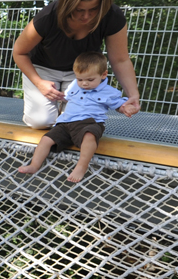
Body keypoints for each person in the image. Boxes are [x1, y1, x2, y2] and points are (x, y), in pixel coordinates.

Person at [13, 0, 141, 129]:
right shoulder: (48, 16)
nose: (86, 16)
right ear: (68, 4)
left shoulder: (112, 16)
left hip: (82, 74)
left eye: (93, 9)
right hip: (42, 69)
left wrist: (133, 94)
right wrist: (39, 83)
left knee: (78, 122)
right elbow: (19, 52)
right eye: (79, 10)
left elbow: (120, 59)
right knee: (41, 121)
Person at [17, 52, 128, 182]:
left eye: (90, 80)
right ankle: (34, 165)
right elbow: (68, 96)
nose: (84, 83)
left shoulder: (109, 92)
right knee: (46, 139)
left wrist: (126, 108)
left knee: (89, 137)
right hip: (66, 122)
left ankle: (81, 166)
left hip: (90, 123)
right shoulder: (75, 85)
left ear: (103, 74)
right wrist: (60, 95)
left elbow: (119, 105)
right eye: (80, 79)